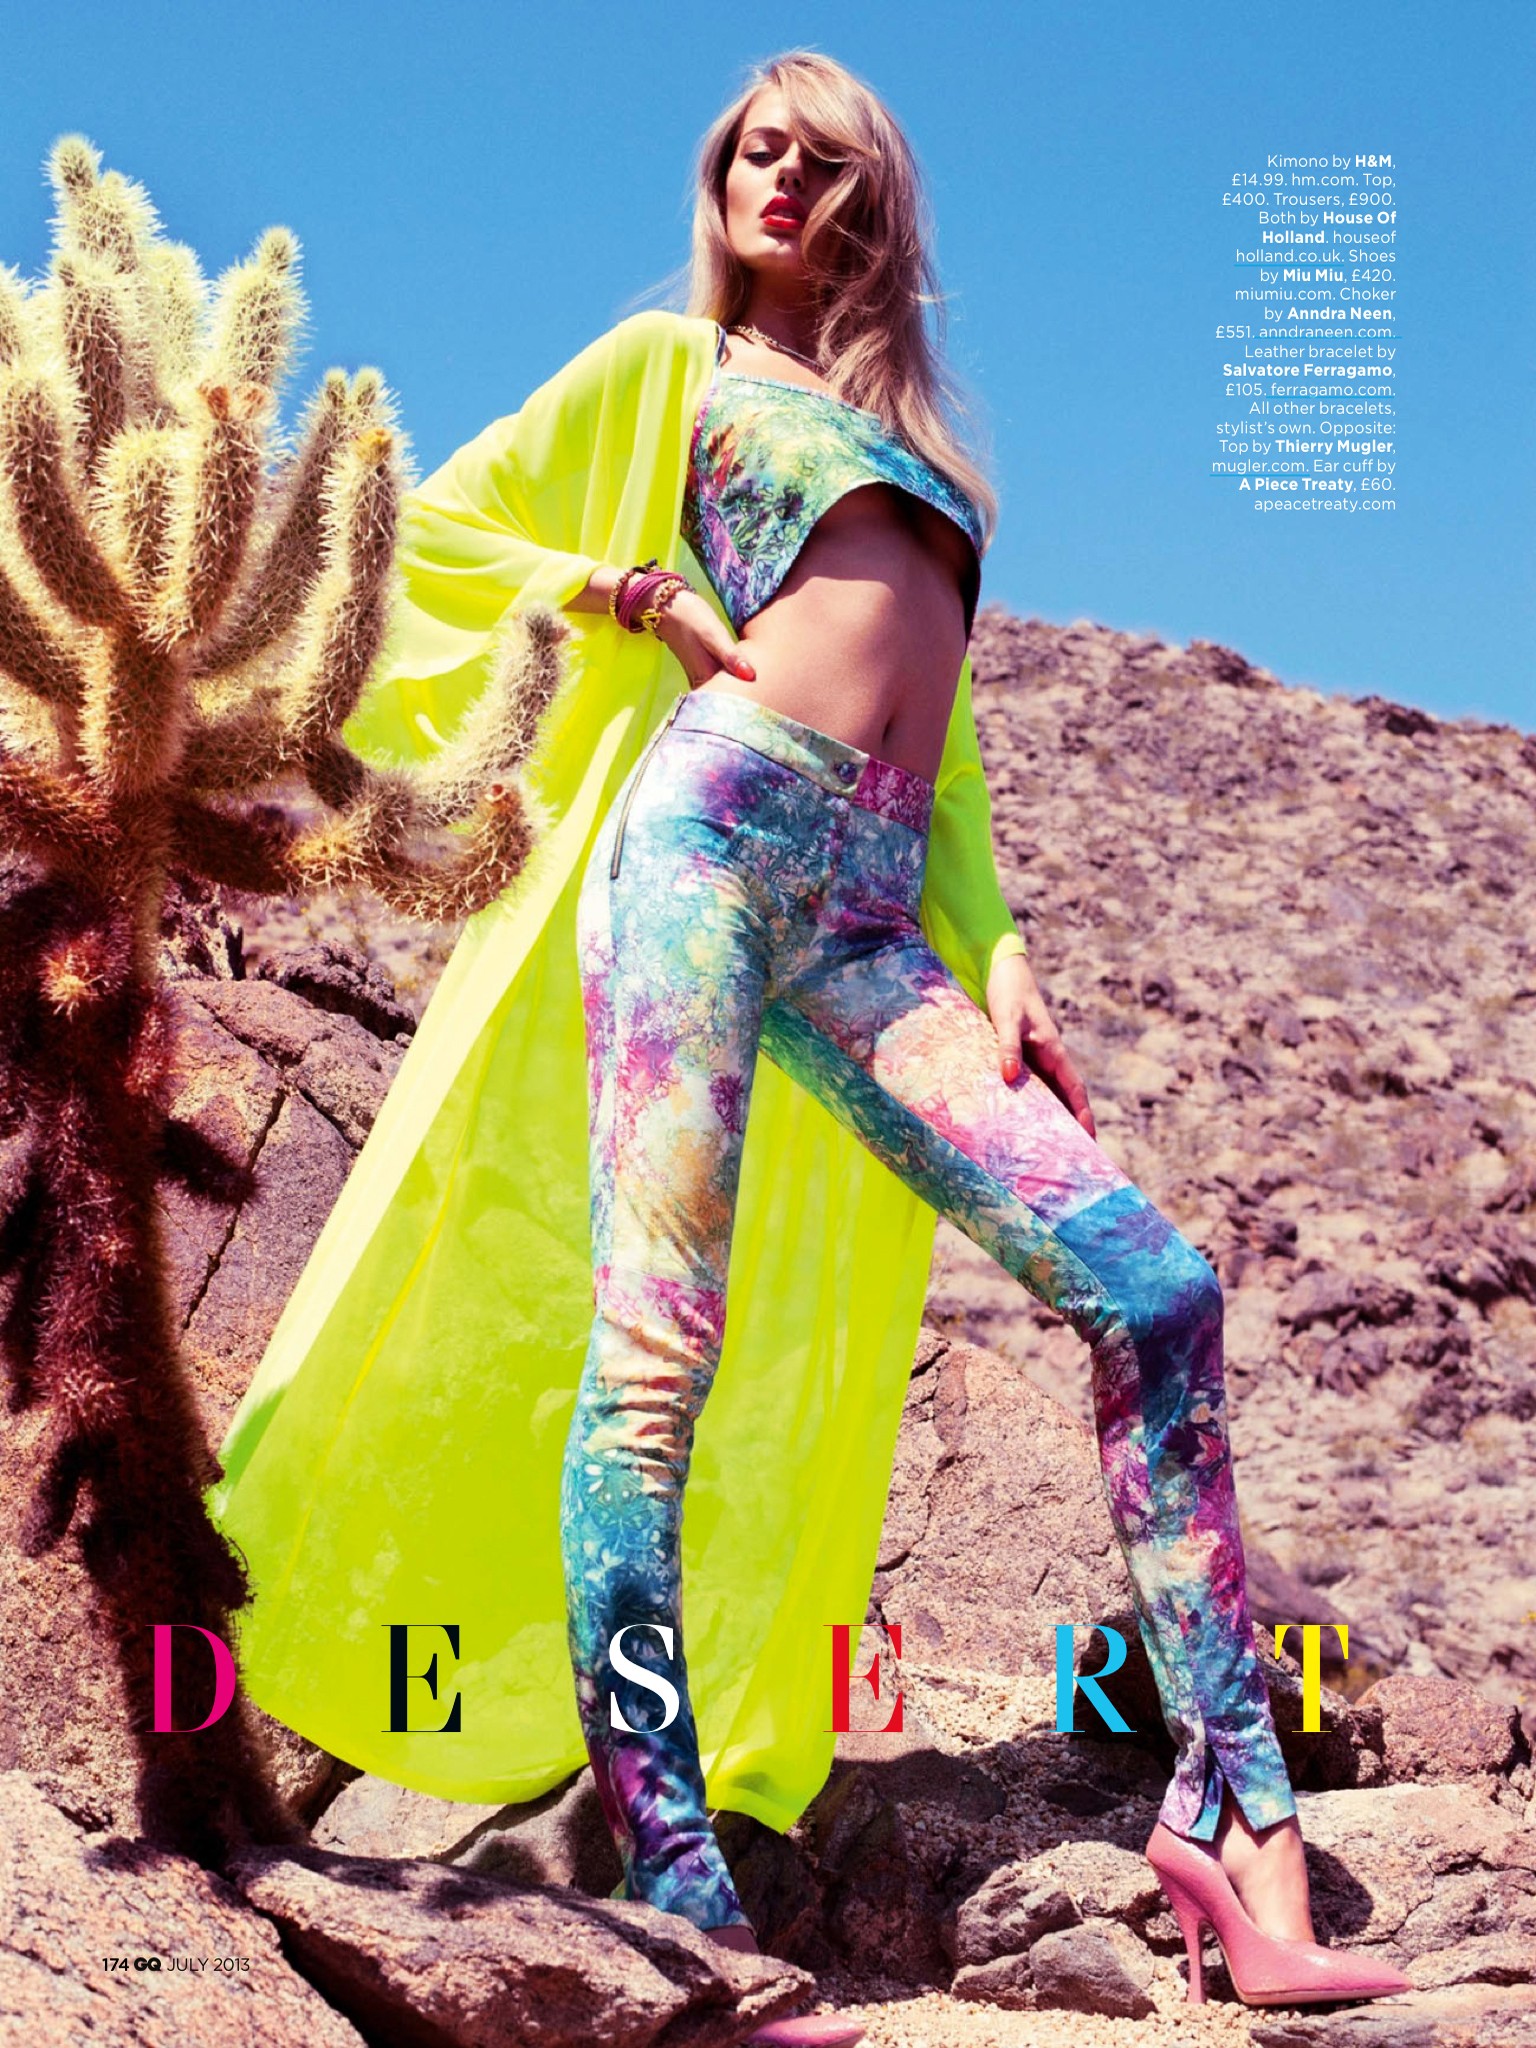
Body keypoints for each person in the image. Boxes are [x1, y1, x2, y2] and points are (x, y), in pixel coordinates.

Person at [208, 51, 1409, 2034]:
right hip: (703, 846)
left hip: (869, 911)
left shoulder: (911, 444)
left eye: (822, 159)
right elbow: (431, 529)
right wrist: (620, 593)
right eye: (754, 150)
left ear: (875, 203)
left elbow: (957, 755)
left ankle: (1235, 1818)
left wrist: (1001, 952)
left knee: (1157, 1290)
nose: (780, 177)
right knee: (651, 1357)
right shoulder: (667, 369)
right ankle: (681, 1890)